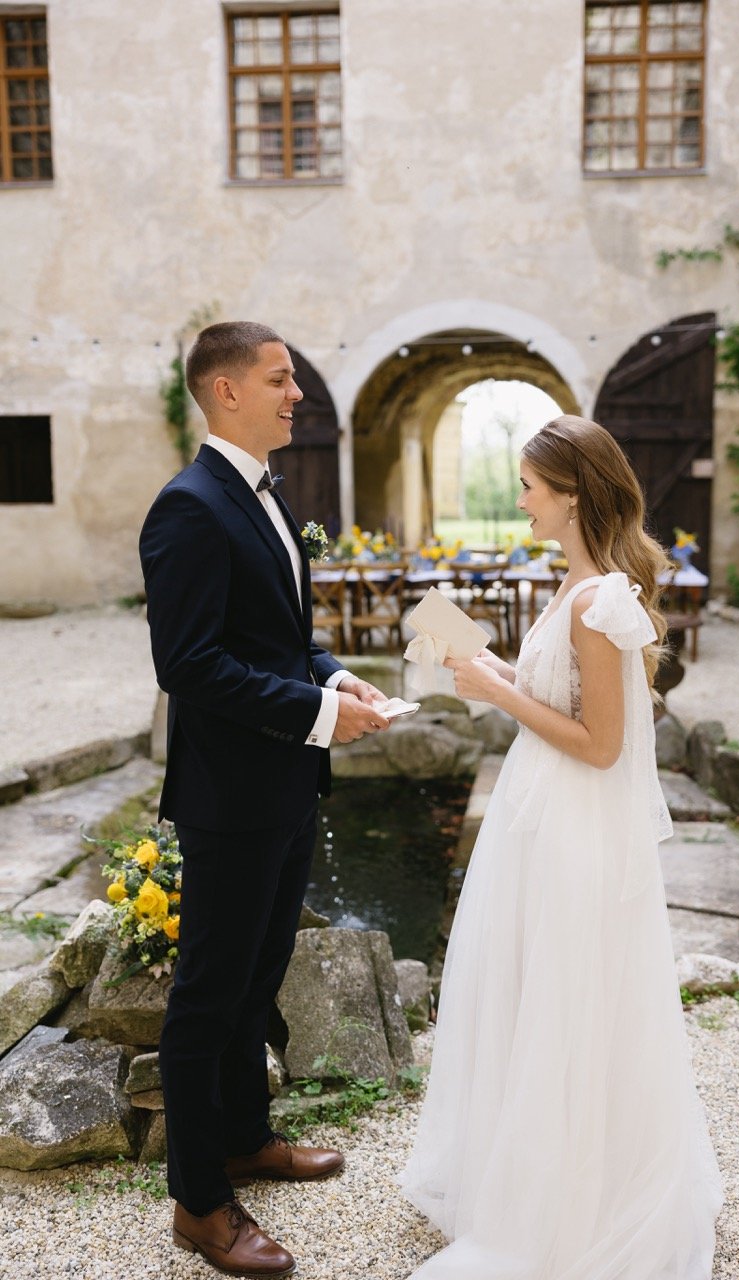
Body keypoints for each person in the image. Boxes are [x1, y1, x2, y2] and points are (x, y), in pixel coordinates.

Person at [399, 415, 723, 1279]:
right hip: (542, 817)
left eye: (531, 488)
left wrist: (496, 697)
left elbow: (600, 744)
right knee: (534, 997)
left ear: (572, 493)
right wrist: (488, 668)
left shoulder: (596, 598)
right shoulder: (574, 584)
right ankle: (533, 1177)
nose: (521, 502)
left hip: (572, 825)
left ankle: (577, 1205)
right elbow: (563, 695)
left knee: (569, 1005)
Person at [139, 321, 391, 1279]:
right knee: (207, 1000)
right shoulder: (189, 508)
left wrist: (338, 679)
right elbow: (190, 664)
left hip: (284, 781)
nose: (298, 394)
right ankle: (200, 1202)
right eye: (281, 379)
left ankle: (245, 1137)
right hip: (230, 793)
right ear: (226, 391)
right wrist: (316, 713)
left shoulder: (267, 497)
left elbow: (279, 638)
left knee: (256, 985)